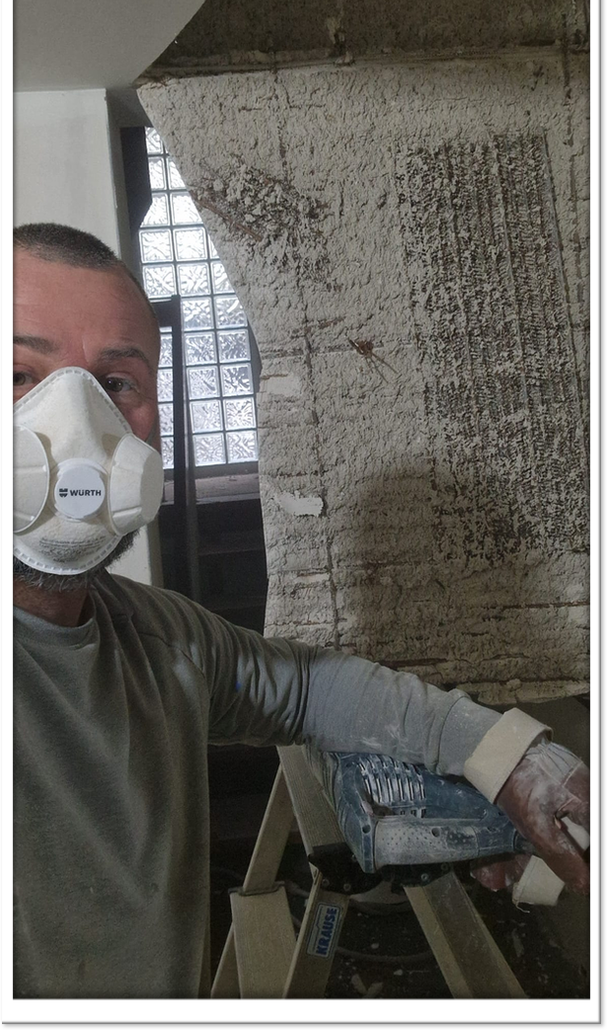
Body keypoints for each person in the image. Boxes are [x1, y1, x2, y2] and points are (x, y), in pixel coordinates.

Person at [13, 223, 590, 999]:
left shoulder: (162, 641)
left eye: (115, 384)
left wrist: (510, 760)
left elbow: (311, 688)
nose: (76, 432)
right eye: (19, 373)